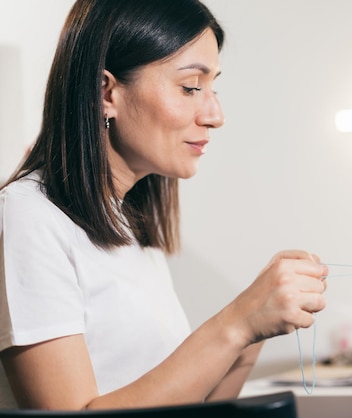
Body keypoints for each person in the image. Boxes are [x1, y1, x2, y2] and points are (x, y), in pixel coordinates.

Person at [0, 0, 328, 410]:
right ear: (106, 93)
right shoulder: (27, 216)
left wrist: (253, 330)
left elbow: (190, 407)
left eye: (213, 88)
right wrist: (236, 322)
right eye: (191, 87)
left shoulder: (128, 223)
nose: (215, 114)